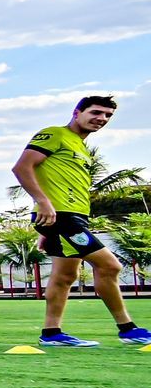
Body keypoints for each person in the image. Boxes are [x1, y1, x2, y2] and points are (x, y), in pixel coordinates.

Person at [12, 96, 149, 347]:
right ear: (77, 112)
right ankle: (128, 329)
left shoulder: (81, 147)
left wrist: (46, 229)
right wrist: (43, 203)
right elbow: (22, 167)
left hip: (67, 219)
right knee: (110, 266)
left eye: (108, 116)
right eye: (96, 112)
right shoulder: (54, 134)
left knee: (65, 275)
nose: (102, 119)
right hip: (60, 216)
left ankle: (51, 334)